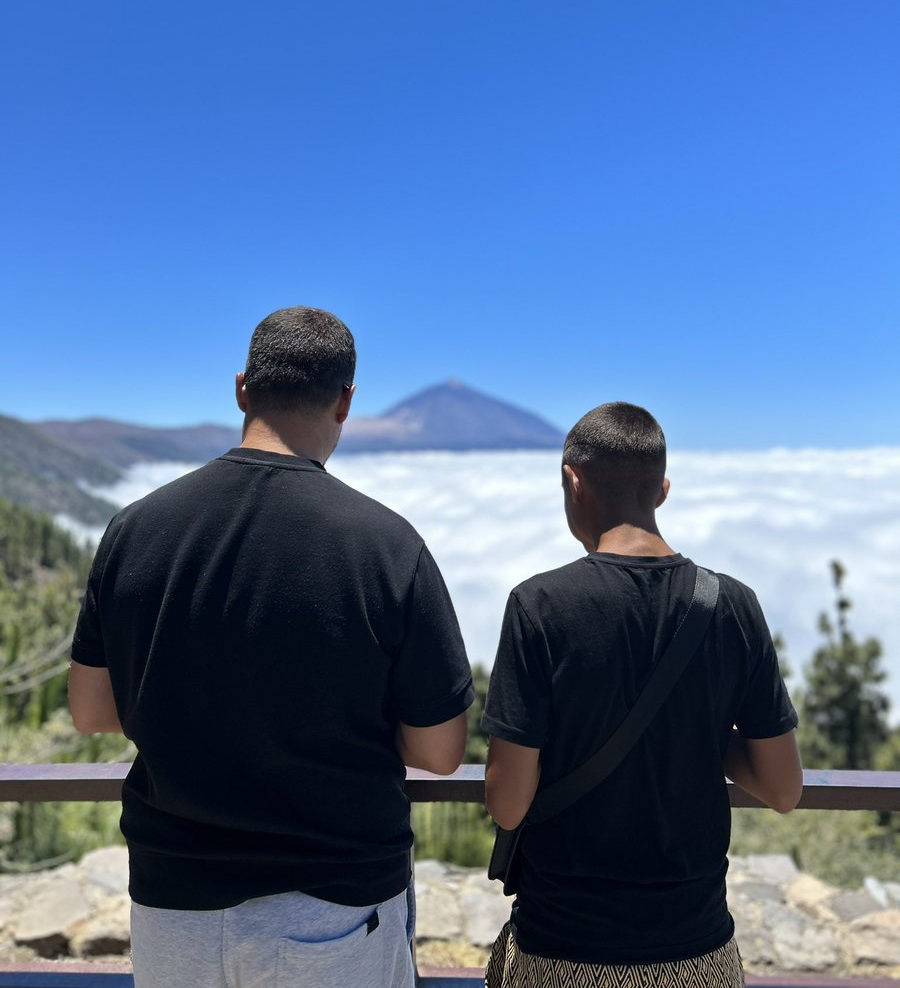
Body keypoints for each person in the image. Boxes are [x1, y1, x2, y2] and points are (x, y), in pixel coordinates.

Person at [68, 306, 474, 988]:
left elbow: (89, 710)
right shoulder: (386, 546)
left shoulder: (134, 530)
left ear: (241, 389)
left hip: (173, 906)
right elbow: (439, 754)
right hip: (337, 910)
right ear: (346, 402)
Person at [483, 402, 802, 988]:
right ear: (663, 490)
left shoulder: (539, 606)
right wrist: (706, 736)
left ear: (571, 482)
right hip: (695, 949)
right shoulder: (735, 605)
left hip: (563, 948)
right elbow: (783, 788)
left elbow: (507, 805)